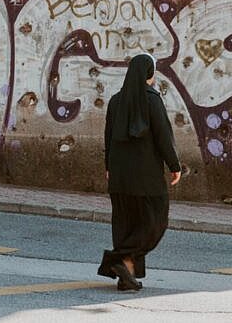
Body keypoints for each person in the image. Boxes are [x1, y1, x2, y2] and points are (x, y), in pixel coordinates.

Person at [98, 53, 182, 291]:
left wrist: (108, 167)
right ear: (149, 73)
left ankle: (127, 275)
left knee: (126, 224)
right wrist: (174, 166)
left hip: (119, 176)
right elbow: (163, 136)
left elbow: (108, 137)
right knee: (155, 221)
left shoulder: (116, 101)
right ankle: (118, 260)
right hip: (146, 177)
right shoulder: (152, 100)